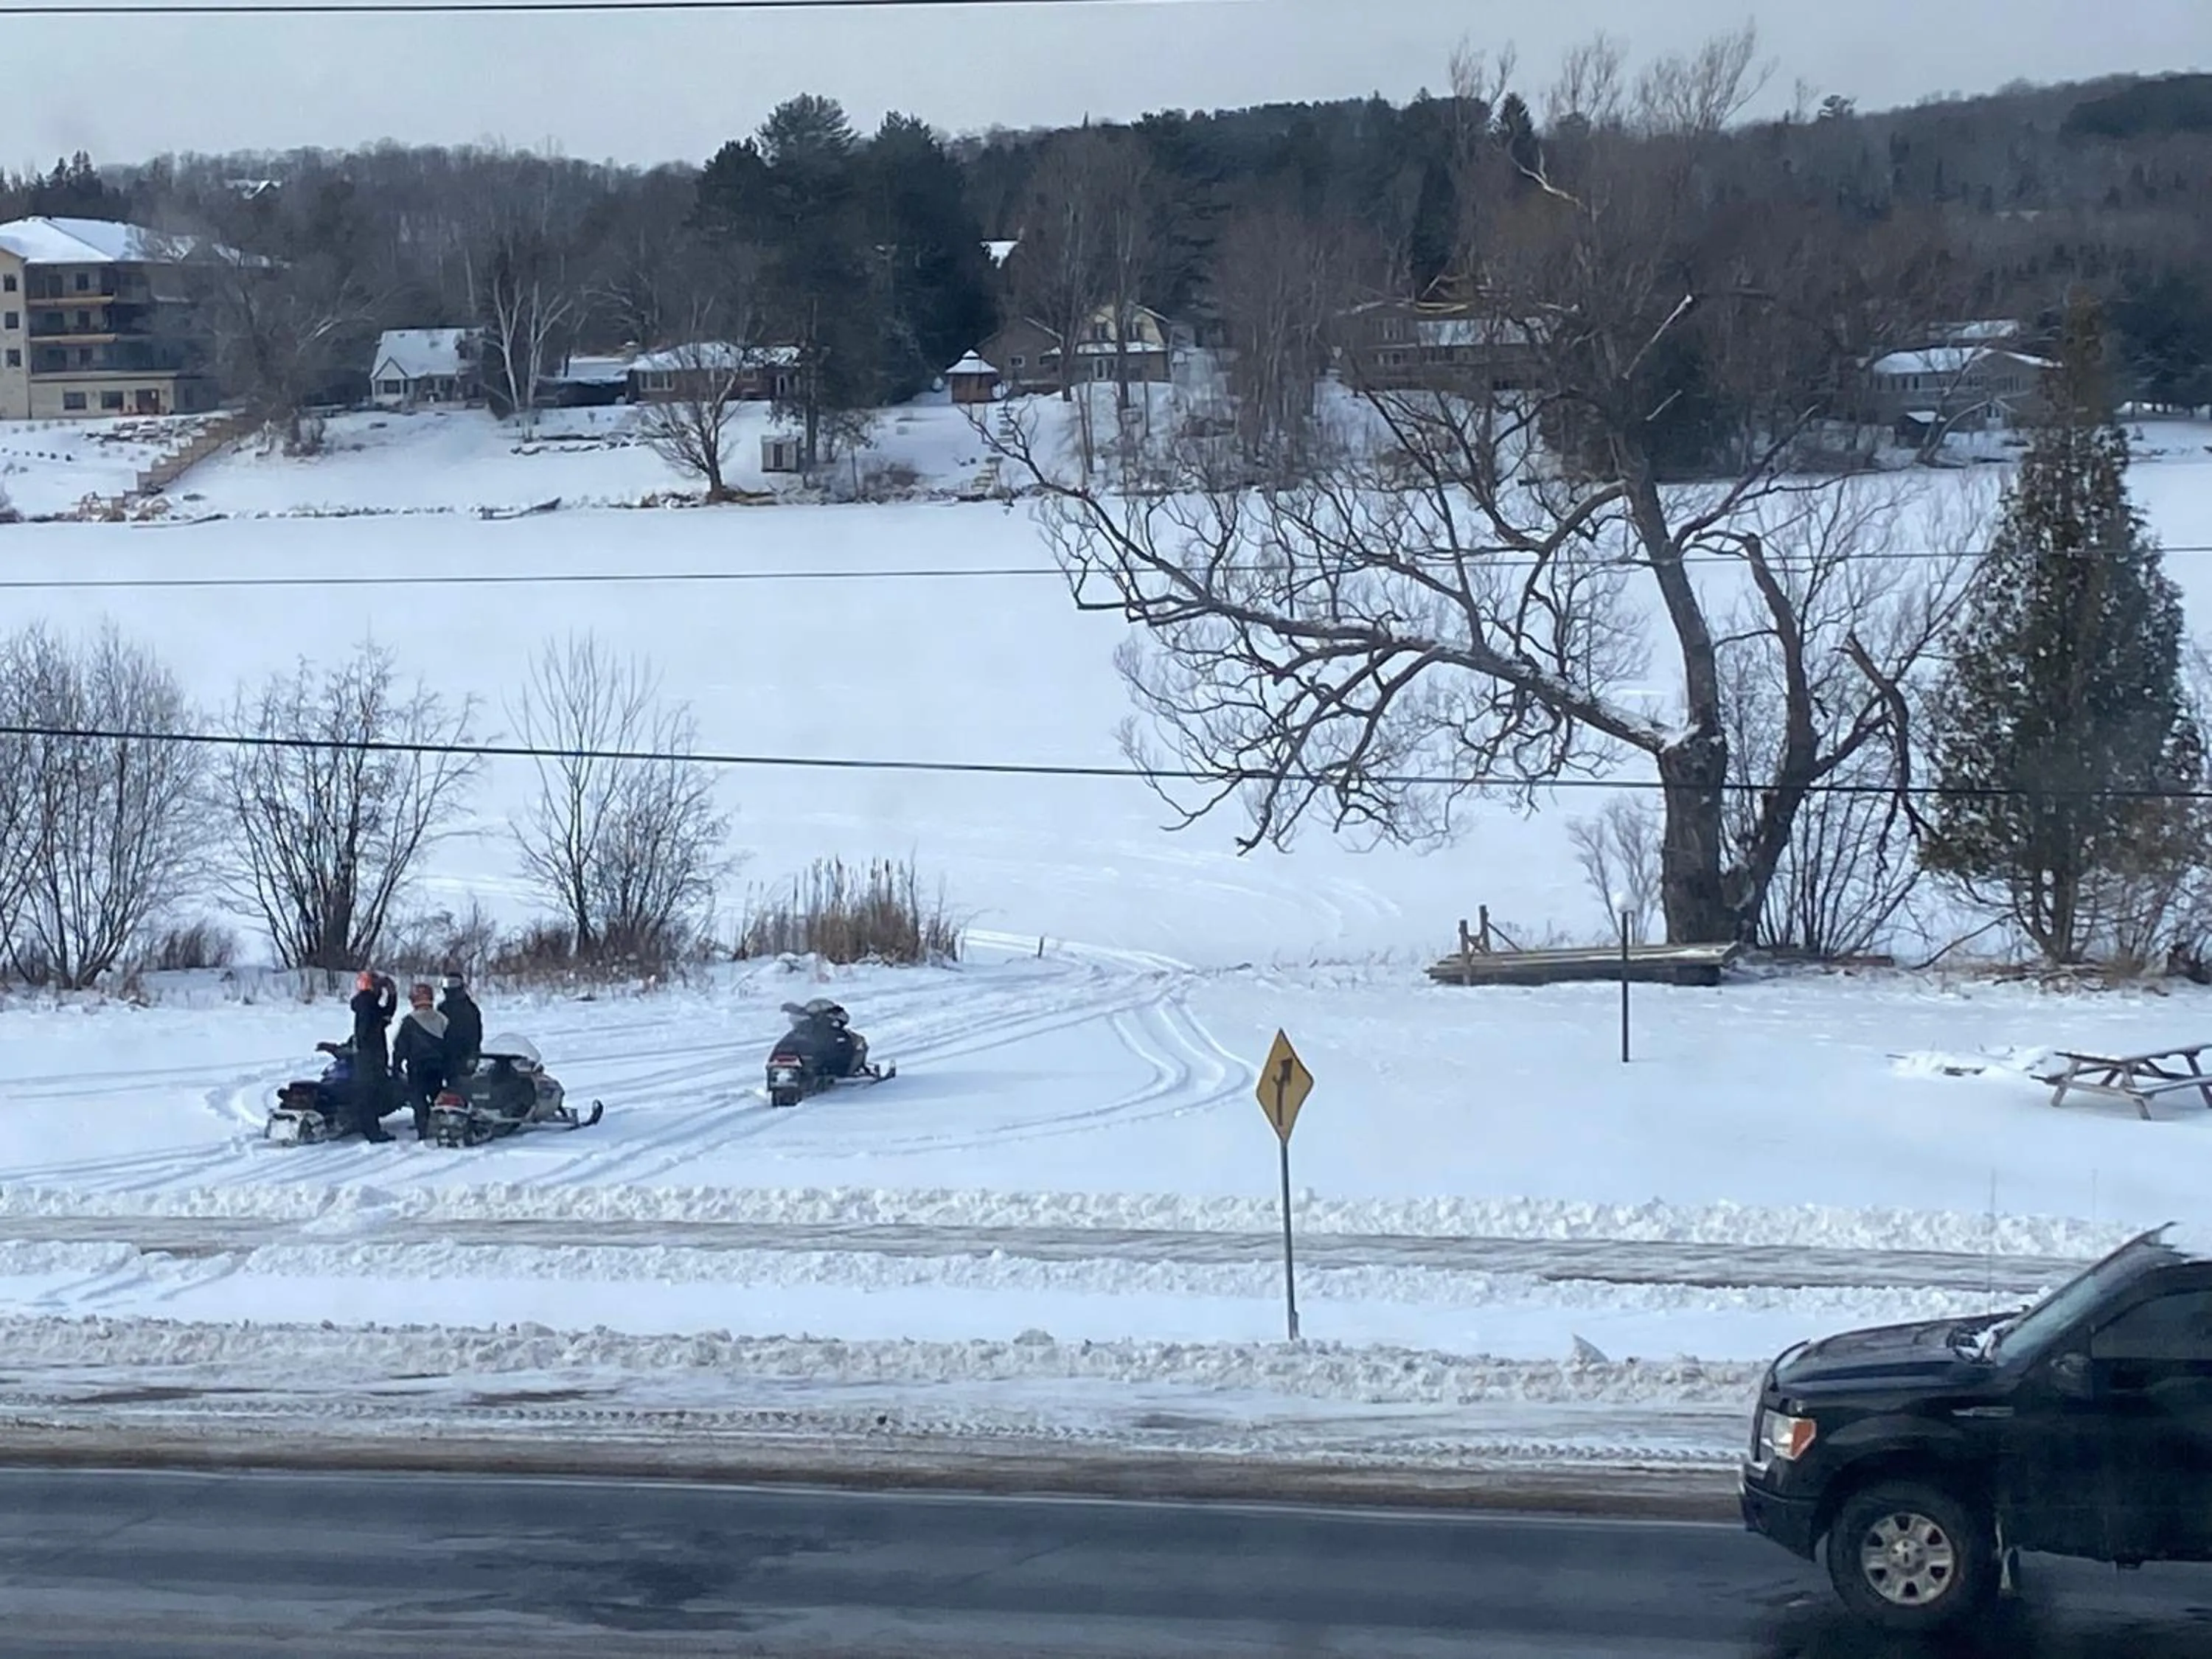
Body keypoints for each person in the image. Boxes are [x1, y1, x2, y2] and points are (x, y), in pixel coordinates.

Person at [392, 981, 449, 1141]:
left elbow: (400, 1046)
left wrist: (396, 1066)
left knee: (418, 1100)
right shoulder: (441, 1019)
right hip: (437, 1066)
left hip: (417, 1067)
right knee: (437, 1095)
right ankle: (441, 1124)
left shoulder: (409, 1021)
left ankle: (424, 1131)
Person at [348, 970, 399, 1142]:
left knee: (368, 1091)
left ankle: (369, 1126)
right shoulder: (368, 1005)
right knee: (371, 1092)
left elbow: (384, 1017)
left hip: (367, 1054)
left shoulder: (365, 1004)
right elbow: (380, 1020)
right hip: (371, 1055)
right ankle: (372, 1131)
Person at [439, 971, 482, 1079]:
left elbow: (476, 1035)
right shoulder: (442, 1008)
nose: (450, 988)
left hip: (465, 1055)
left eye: (453, 983)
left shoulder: (470, 1009)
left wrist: (473, 1054)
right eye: (447, 983)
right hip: (445, 1056)